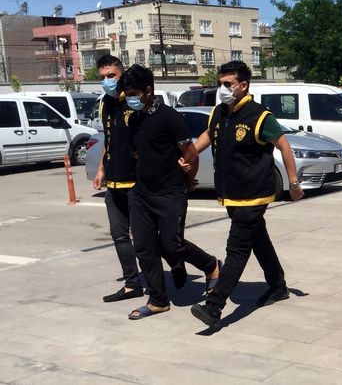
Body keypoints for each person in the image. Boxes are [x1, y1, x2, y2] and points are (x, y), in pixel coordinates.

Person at [190, 61, 304, 330]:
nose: (222, 88)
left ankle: (214, 306)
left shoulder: (259, 116)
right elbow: (207, 135)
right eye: (220, 83)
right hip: (230, 193)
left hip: (253, 195)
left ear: (243, 85)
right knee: (258, 240)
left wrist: (293, 182)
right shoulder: (218, 113)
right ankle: (278, 285)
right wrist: (188, 158)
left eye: (228, 84)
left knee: (237, 249)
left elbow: (284, 147)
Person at [120, 65, 220, 320]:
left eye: (133, 93)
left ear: (147, 91)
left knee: (172, 244)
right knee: (143, 247)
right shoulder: (134, 118)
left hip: (170, 192)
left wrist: (189, 179)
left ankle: (211, 266)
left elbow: (191, 153)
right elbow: (138, 151)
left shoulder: (169, 117)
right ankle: (158, 300)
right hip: (141, 194)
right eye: (127, 93)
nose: (130, 98)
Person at [91, 55, 145, 303]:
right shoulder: (105, 103)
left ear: (121, 75)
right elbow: (109, 140)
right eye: (102, 77)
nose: (107, 81)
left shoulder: (134, 101)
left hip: (137, 182)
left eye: (111, 76)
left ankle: (199, 266)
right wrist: (102, 168)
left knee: (148, 238)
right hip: (113, 182)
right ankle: (132, 283)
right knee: (119, 235)